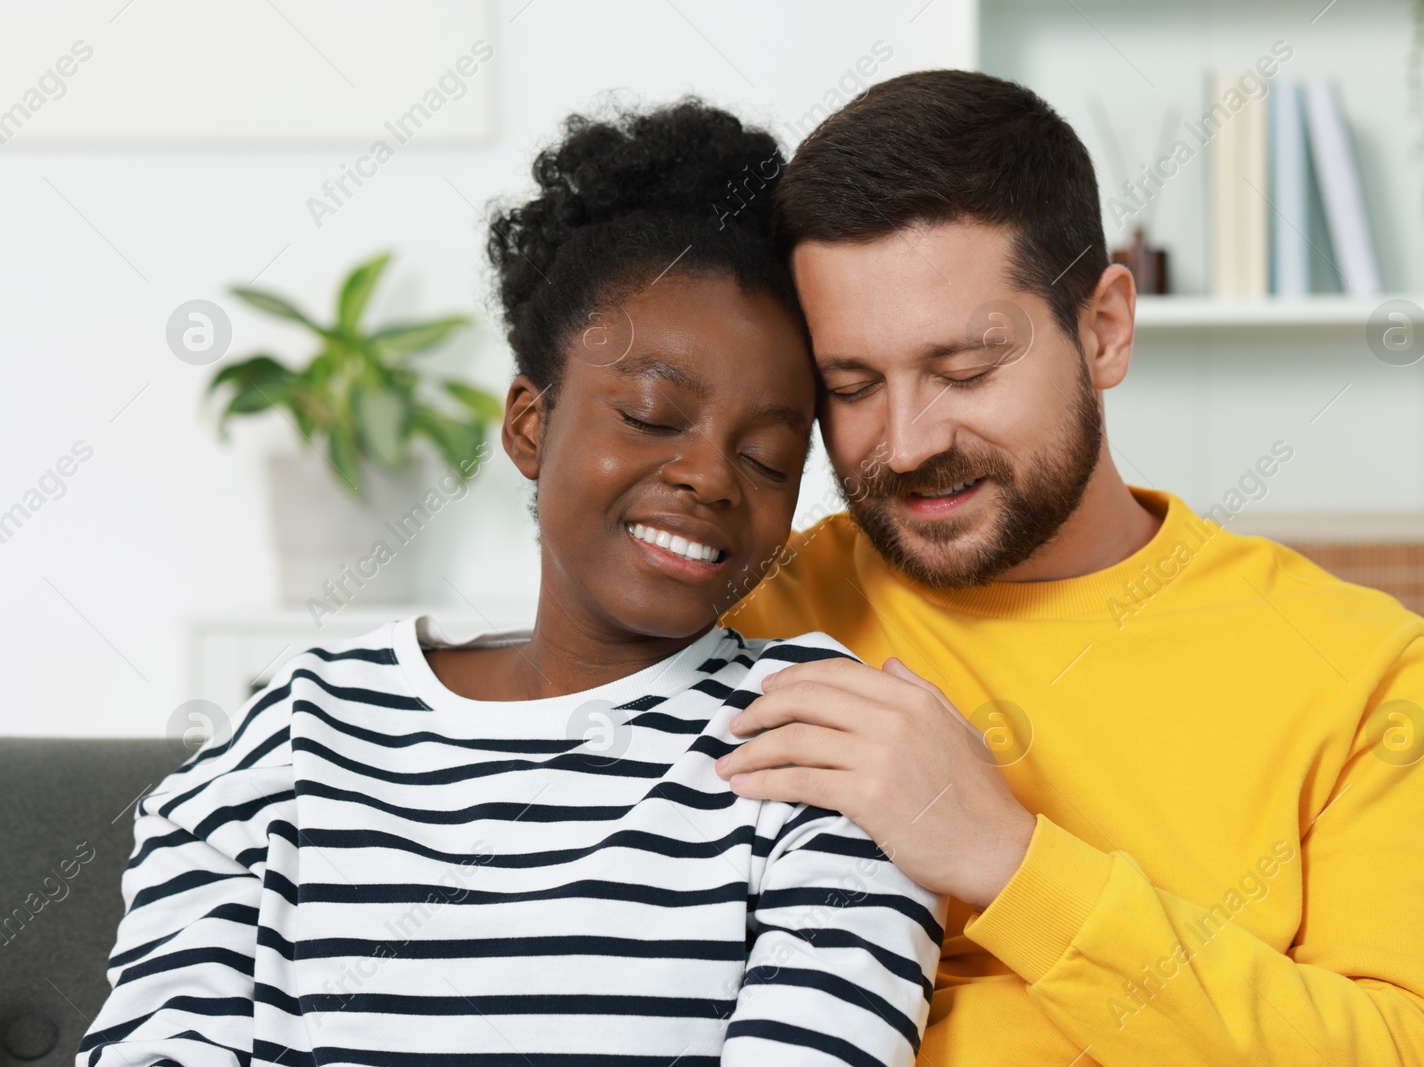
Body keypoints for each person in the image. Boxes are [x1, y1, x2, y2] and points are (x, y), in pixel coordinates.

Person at [78, 100, 944, 1067]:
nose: (709, 475)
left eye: (769, 456)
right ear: (531, 424)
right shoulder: (301, 727)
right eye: (654, 417)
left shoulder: (817, 740)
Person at [715, 69, 1424, 1066]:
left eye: (963, 369)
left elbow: (1420, 1053)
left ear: (1104, 330)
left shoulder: (1377, 676)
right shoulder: (746, 618)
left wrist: (1008, 860)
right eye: (853, 384)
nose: (909, 441)